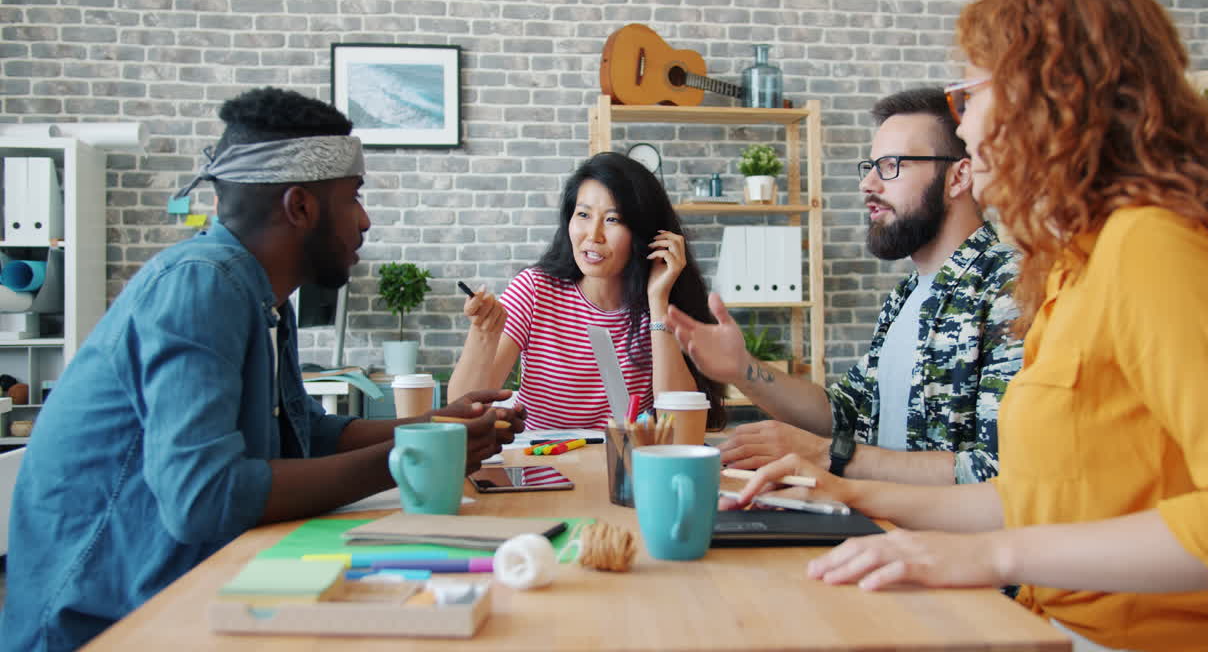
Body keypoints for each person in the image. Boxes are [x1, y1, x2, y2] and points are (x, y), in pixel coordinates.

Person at [731, 0, 1208, 652]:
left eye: (969, 95)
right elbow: (1032, 499)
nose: (966, 126)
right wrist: (845, 491)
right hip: (1055, 626)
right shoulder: (1069, 269)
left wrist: (990, 556)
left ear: (1049, 98)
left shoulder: (1155, 250)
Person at [0, 87, 525, 652]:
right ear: (300, 207)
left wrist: (434, 427)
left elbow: (305, 433)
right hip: (106, 626)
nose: (365, 220)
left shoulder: (261, 296)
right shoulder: (201, 285)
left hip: (188, 596)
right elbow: (204, 498)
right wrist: (418, 458)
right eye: (353, 196)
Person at [669, 87, 1022, 485]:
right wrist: (743, 368)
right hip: (876, 521)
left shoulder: (1009, 287)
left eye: (891, 166)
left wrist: (827, 455)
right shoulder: (906, 296)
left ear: (958, 176)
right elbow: (843, 415)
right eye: (870, 167)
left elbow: (1000, 474)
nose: (867, 184)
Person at [448, 151, 724, 431]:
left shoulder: (658, 306)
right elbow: (463, 410)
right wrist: (482, 333)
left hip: (625, 460)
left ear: (645, 232)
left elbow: (680, 429)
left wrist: (658, 301)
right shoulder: (534, 290)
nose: (593, 235)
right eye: (583, 215)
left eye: (612, 220)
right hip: (545, 458)